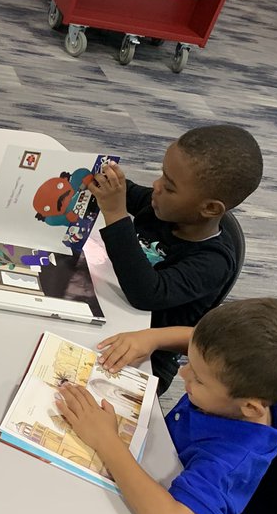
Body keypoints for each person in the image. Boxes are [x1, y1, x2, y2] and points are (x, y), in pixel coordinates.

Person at [54, 298, 277, 514]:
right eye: (189, 360)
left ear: (250, 407)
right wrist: (152, 338)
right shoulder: (244, 385)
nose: (182, 372)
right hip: (158, 458)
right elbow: (200, 341)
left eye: (198, 379)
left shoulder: (231, 459)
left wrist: (106, 440)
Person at [86, 124, 263, 390]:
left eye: (169, 187)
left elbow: (146, 294)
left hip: (148, 355)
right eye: (161, 176)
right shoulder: (163, 206)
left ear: (210, 208)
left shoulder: (212, 262)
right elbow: (125, 193)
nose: (156, 187)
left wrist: (115, 213)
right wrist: (103, 181)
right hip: (110, 308)